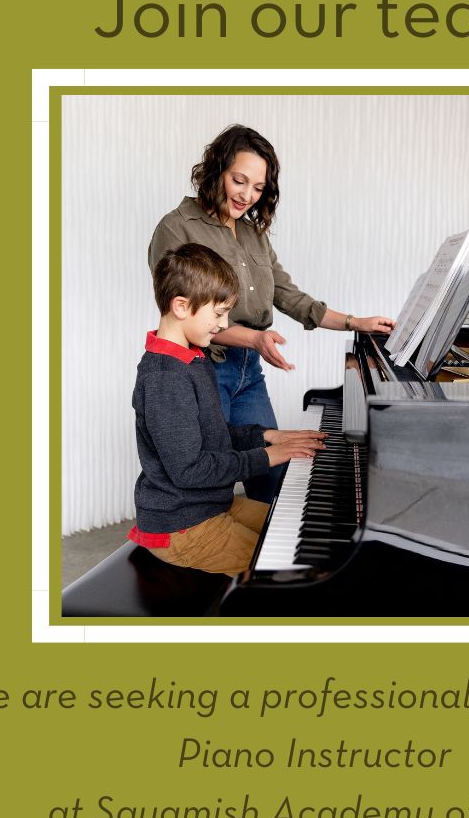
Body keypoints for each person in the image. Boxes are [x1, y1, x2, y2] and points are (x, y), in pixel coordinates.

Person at [148, 124, 396, 502]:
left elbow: (288, 295)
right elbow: (182, 315)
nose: (247, 195)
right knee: (210, 482)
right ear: (216, 170)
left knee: (272, 477)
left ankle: (267, 540)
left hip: (249, 370)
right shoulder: (176, 227)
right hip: (204, 368)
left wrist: (354, 322)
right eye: (239, 181)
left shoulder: (253, 234)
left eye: (259, 188)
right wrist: (254, 337)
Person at [128, 244, 326, 576]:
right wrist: (268, 456)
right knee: (289, 570)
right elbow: (189, 470)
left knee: (300, 530)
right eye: (219, 313)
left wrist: (268, 436)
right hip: (182, 526)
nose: (223, 325)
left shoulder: (191, 358)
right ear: (181, 306)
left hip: (210, 505)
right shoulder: (165, 378)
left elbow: (213, 434)